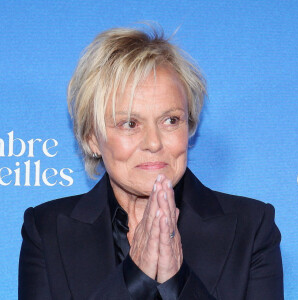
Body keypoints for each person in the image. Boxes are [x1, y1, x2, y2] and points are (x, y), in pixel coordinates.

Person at [18, 25, 283, 300]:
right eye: (130, 123)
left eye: (171, 120)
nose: (154, 143)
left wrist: (176, 282)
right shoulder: (47, 230)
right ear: (92, 138)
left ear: (189, 126)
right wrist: (136, 276)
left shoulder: (251, 228)